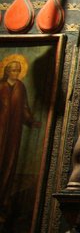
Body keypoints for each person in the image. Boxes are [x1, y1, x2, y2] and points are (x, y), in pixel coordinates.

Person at [0, 61, 37, 219]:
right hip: (1, 128)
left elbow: (24, 108)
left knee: (9, 160)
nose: (15, 73)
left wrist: (31, 121)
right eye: (13, 70)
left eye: (18, 70)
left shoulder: (20, 87)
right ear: (7, 71)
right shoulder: (1, 86)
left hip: (14, 131)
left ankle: (4, 199)